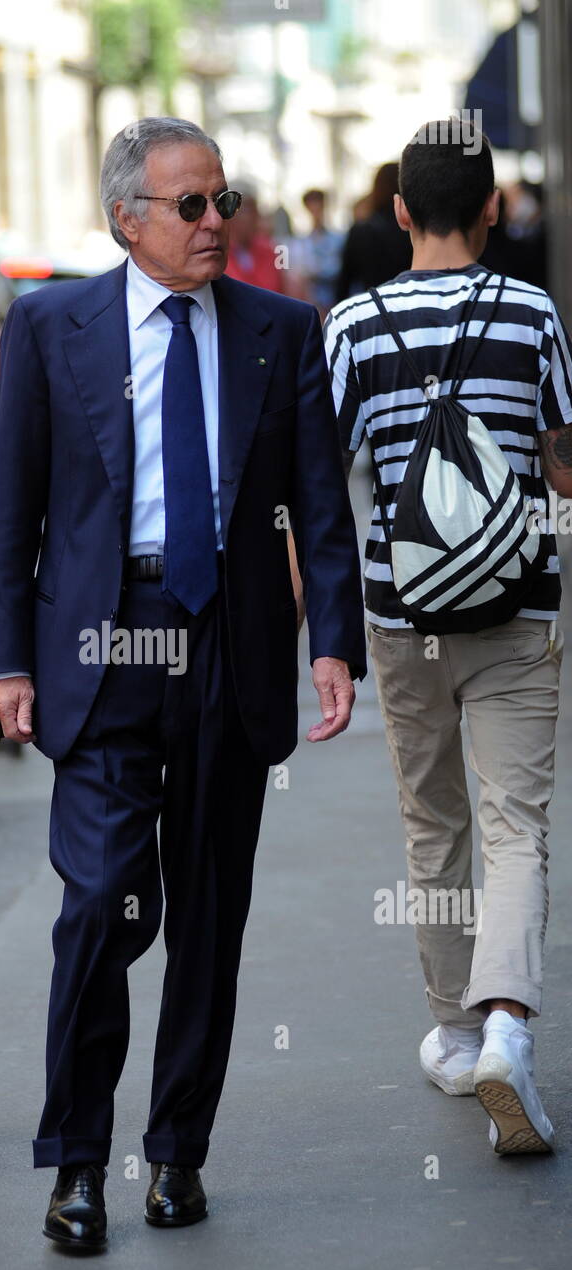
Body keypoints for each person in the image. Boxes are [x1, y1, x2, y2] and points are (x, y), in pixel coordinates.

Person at [0, 116, 366, 1249]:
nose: (215, 224)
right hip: (101, 650)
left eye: (223, 200)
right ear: (126, 218)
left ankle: (178, 1152)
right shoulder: (53, 326)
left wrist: (332, 641)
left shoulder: (281, 331)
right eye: (189, 206)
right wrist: (4, 660)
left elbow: (321, 507)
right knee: (98, 903)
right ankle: (77, 1162)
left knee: (207, 916)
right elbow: (13, 514)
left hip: (228, 648)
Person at [324, 120, 572, 1154]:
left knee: (437, 823)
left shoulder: (350, 325)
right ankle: (510, 1022)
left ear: (396, 212)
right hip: (519, 603)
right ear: (494, 210)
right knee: (517, 820)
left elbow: (328, 474)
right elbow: (562, 461)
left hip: (404, 613)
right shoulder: (533, 311)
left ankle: (456, 1031)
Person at [335, 162, 411, 302]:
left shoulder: (361, 230)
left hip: (374, 308)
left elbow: (344, 282)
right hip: (409, 303)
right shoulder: (413, 229)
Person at [294, 189, 345, 321]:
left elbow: (339, 269)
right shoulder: (301, 242)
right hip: (311, 304)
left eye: (319, 206)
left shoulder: (338, 239)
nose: (316, 212)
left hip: (335, 303)